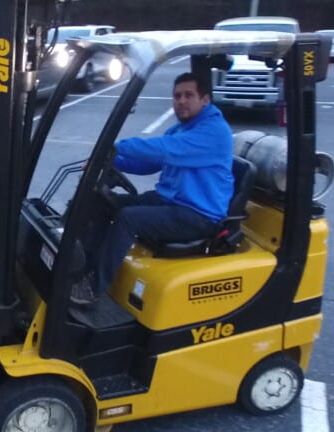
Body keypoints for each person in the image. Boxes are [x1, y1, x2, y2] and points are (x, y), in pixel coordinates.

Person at [71, 72, 234, 305]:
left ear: (205, 100)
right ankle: (81, 268)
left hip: (198, 215)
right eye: (177, 96)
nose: (181, 101)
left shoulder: (214, 131)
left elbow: (163, 150)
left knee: (128, 218)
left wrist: (112, 146)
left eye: (189, 95)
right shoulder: (181, 130)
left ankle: (93, 288)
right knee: (103, 203)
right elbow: (148, 164)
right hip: (171, 202)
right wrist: (109, 162)